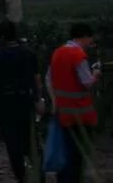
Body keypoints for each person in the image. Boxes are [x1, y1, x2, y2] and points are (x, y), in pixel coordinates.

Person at [0, 21, 43, 183]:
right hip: (25, 100)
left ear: (0, 36)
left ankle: (21, 177)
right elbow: (37, 79)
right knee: (31, 141)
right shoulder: (28, 53)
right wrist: (39, 99)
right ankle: (39, 175)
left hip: (6, 103)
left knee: (13, 143)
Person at [48, 23, 101, 183]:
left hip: (63, 112)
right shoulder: (78, 55)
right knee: (77, 155)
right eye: (90, 38)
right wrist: (96, 74)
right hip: (80, 114)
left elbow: (48, 78)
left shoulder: (58, 52)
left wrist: (54, 101)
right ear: (84, 36)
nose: (91, 42)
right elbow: (87, 82)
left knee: (65, 151)